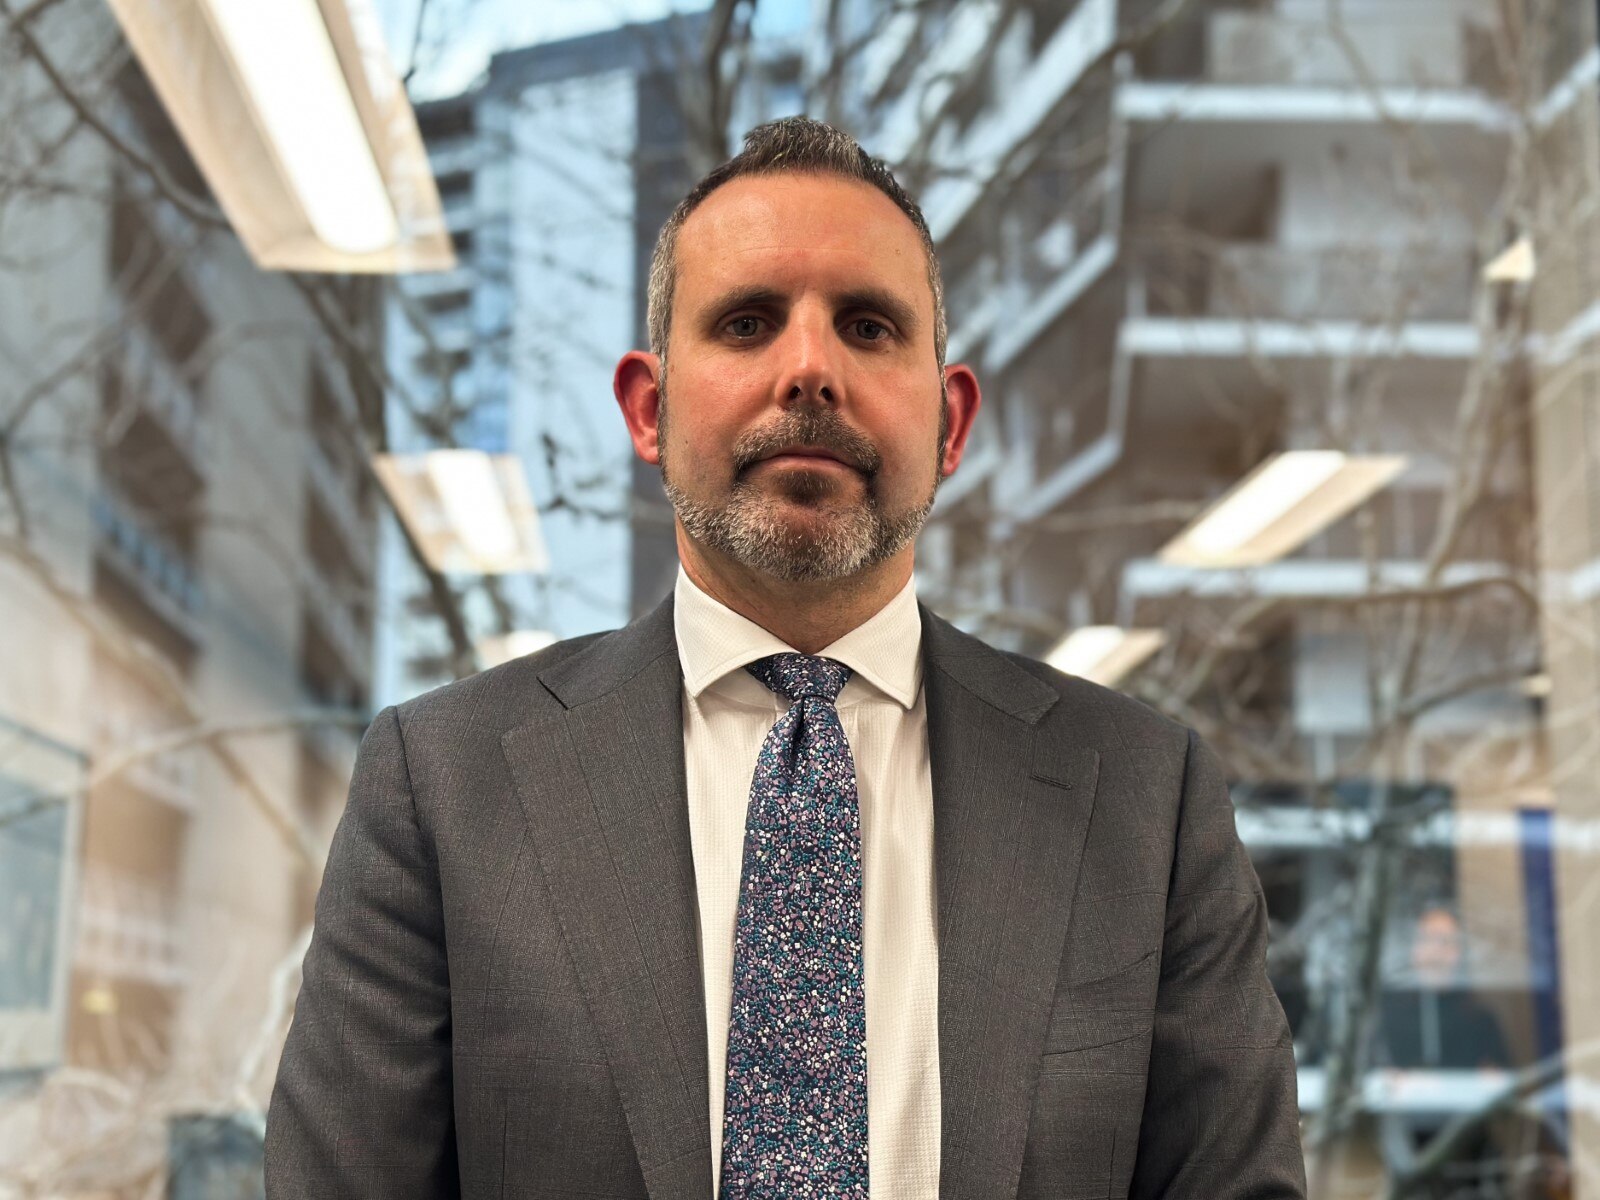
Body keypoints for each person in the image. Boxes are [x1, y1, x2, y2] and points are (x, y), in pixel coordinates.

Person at [265, 117, 1306, 1199]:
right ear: (649, 408)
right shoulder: (441, 786)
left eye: (866, 326)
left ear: (949, 424)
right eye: (749, 322)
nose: (809, 369)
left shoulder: (1144, 799)